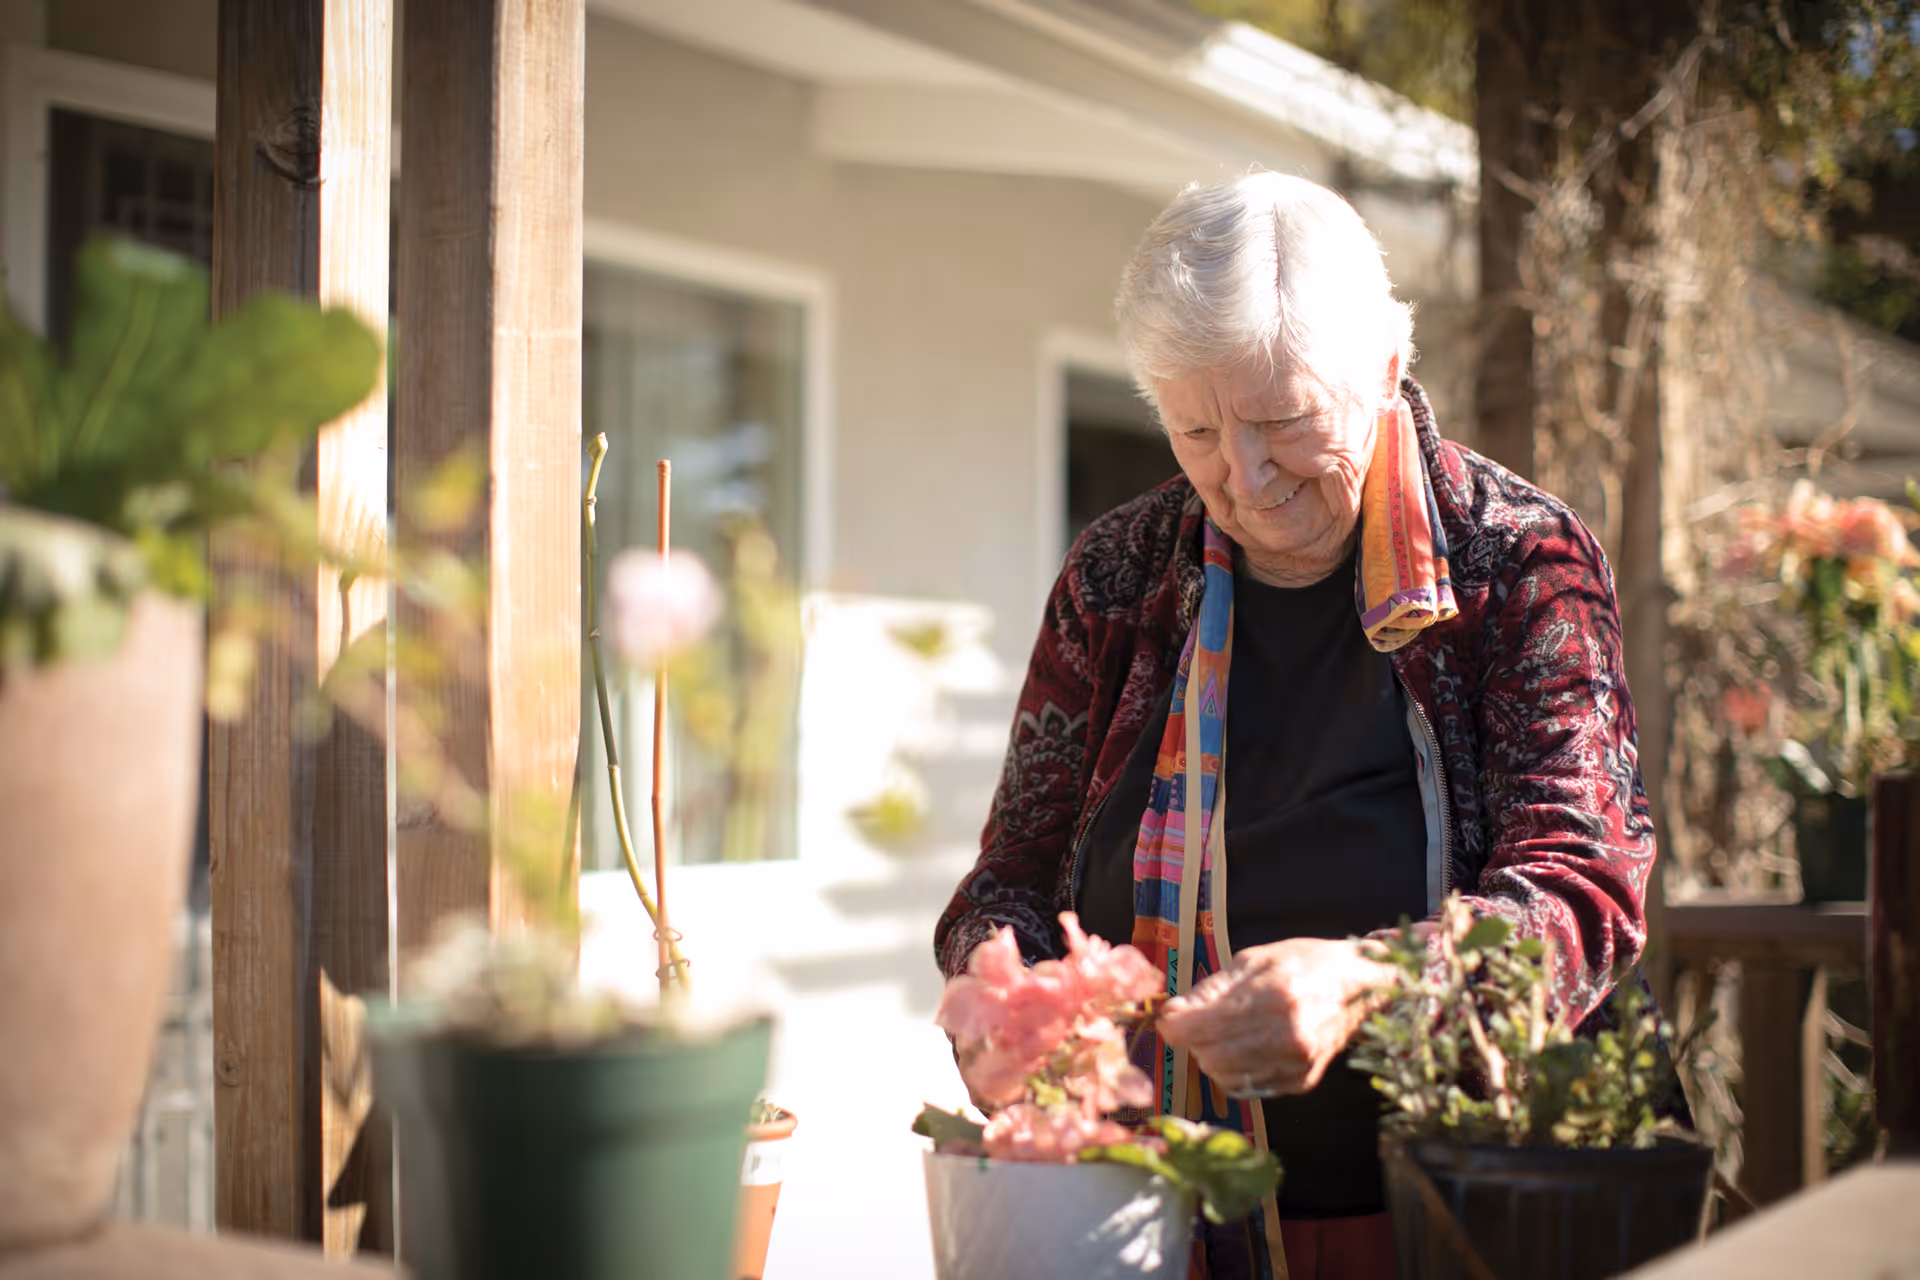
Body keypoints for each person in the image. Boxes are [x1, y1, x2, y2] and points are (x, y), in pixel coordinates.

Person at [934, 172, 1662, 1280]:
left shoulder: (1514, 560)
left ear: (1384, 369)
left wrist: (1371, 984)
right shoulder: (1118, 576)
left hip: (1453, 1219)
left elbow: (1585, 887)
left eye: (1282, 420)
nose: (1245, 473)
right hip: (1149, 1214)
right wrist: (1006, 993)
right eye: (1195, 428)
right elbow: (1007, 880)